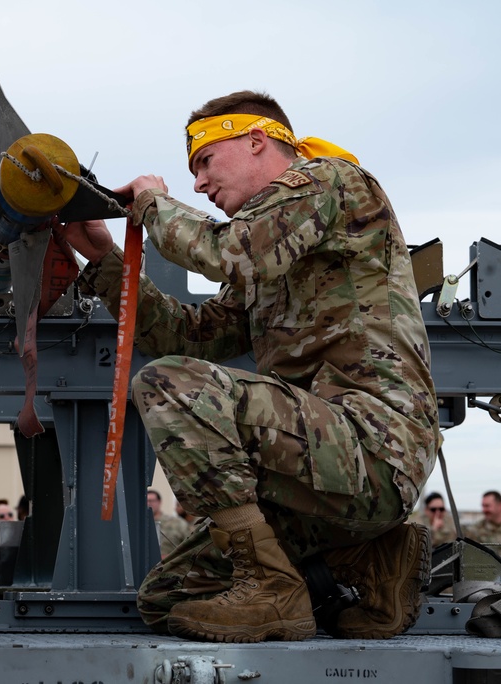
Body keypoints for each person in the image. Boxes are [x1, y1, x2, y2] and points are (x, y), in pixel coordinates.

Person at [59, 90, 439, 643]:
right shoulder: (270, 253)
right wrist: (103, 259)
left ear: (257, 141)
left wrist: (150, 203)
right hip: (314, 472)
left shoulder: (331, 182)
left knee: (168, 385)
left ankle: (272, 590)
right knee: (169, 597)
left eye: (205, 162)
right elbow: (188, 335)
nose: (198, 185)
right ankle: (366, 560)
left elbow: (224, 253)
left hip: (374, 448)